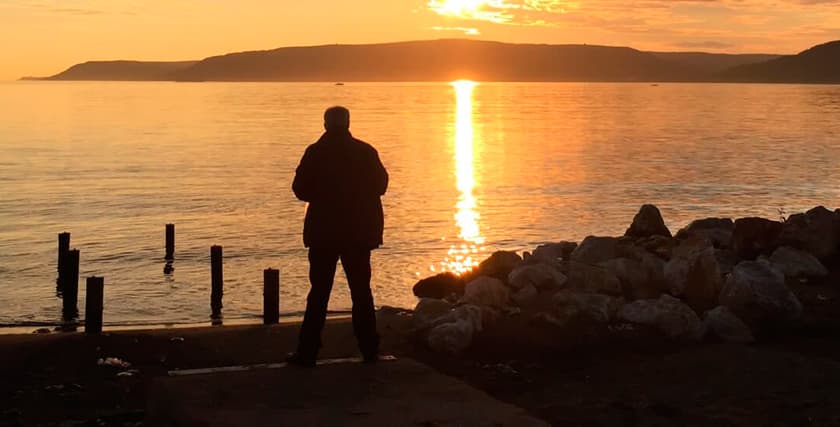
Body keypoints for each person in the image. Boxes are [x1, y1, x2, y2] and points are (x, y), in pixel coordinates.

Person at [287, 106, 389, 366]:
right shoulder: (366, 152)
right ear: (348, 123)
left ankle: (308, 352)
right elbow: (381, 186)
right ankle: (369, 350)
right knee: (361, 292)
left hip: (324, 233)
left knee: (319, 293)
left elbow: (300, 189)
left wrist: (325, 193)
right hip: (358, 233)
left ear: (325, 125)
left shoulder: (315, 152)